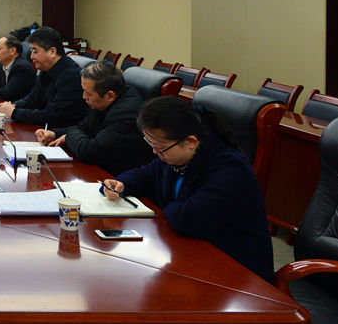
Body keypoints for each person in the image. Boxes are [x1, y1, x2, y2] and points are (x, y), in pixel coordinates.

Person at [101, 96, 274, 282]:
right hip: (189, 250)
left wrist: (162, 209)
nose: (156, 153)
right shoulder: (175, 157)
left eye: (160, 148)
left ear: (191, 141)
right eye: (151, 145)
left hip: (236, 271)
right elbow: (145, 174)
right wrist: (121, 183)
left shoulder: (230, 168)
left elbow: (189, 220)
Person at [35, 60, 149, 174]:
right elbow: (85, 127)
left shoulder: (127, 114)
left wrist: (68, 136)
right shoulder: (104, 99)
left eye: (88, 93)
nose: (84, 97)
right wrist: (55, 134)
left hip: (116, 176)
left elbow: (89, 152)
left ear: (110, 95)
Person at [0, 26, 88, 128]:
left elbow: (53, 116)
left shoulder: (71, 77)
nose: (31, 57)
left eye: (35, 52)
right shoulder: (46, 69)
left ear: (52, 52)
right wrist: (13, 105)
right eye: (31, 51)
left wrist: (14, 112)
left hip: (63, 132)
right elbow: (32, 99)